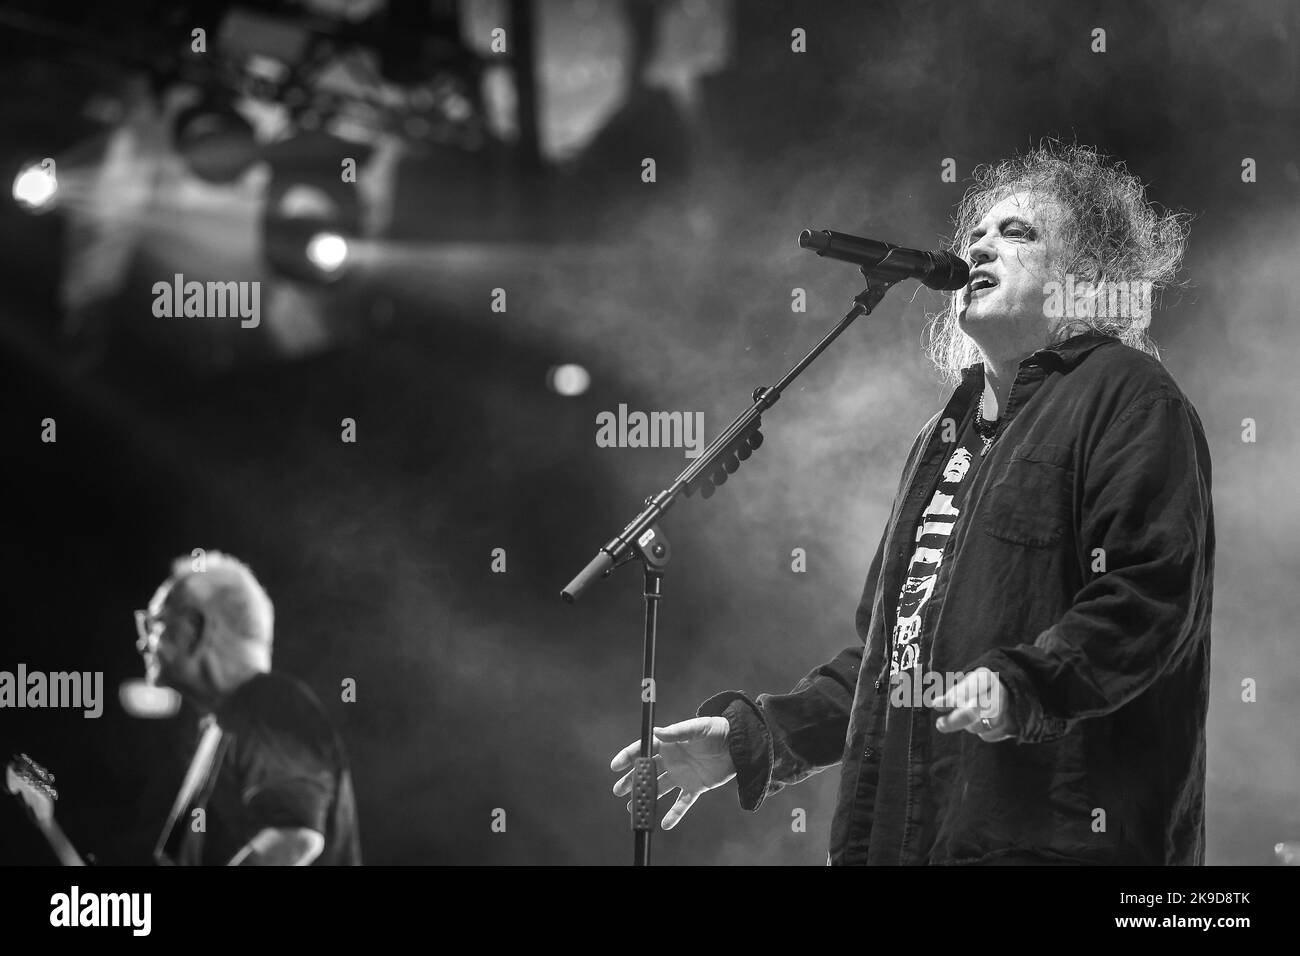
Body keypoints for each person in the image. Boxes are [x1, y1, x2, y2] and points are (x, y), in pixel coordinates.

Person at [611, 143, 1213, 865]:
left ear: (1084, 279)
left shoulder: (1128, 395)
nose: (981, 245)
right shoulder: (945, 435)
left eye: (1018, 233)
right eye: (976, 236)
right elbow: (888, 658)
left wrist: (1025, 684)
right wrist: (758, 739)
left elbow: (1149, 595)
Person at [135, 551, 361, 865]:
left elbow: (292, 842)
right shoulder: (226, 725)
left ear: (195, 629)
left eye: (155, 624)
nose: (143, 642)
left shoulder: (271, 703)